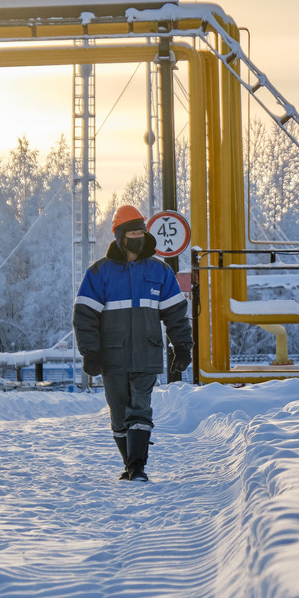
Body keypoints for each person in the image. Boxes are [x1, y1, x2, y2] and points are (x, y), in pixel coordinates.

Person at [73, 205, 193, 482]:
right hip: (111, 358)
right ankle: (130, 464)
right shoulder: (99, 273)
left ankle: (137, 467)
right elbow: (85, 316)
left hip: (147, 354)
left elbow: (175, 314)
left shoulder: (160, 271)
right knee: (119, 413)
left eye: (141, 232)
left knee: (140, 407)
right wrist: (90, 352)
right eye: (132, 233)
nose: (137, 237)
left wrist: (183, 346)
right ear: (119, 236)